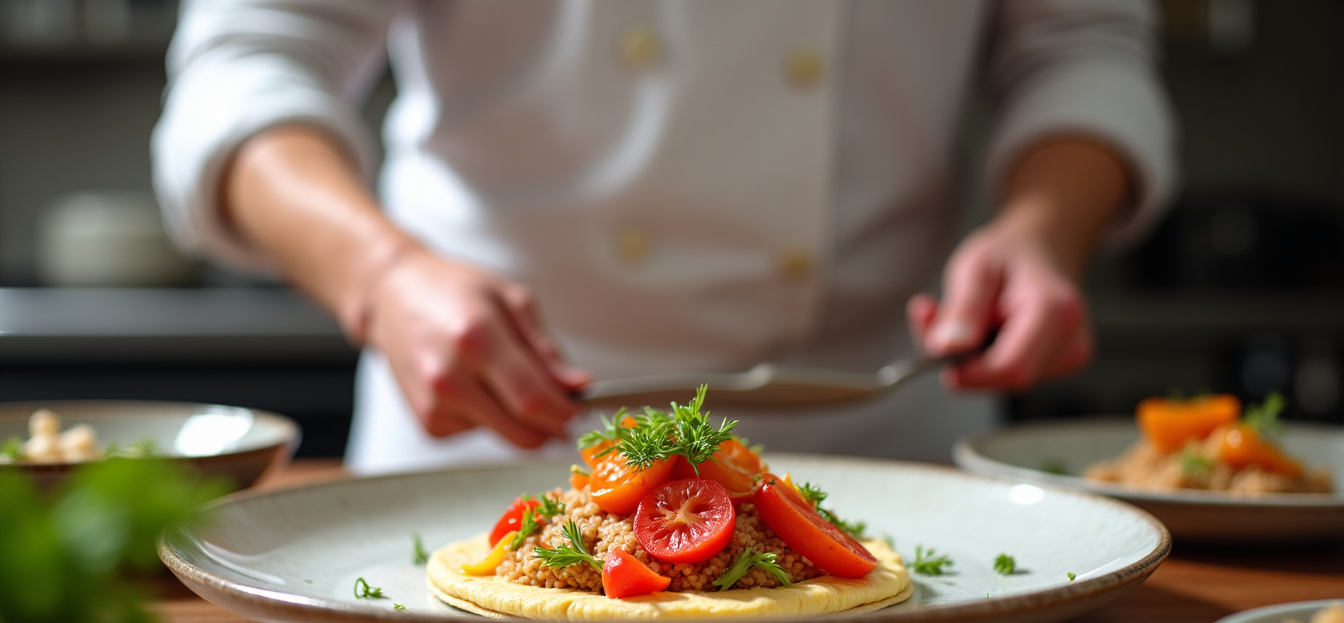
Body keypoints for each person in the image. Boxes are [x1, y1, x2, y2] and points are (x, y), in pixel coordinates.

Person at [153, 0, 1174, 474]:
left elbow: (1082, 46)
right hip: (493, 440)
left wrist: (1044, 227)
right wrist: (381, 274)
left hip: (884, 435)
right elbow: (248, 60)